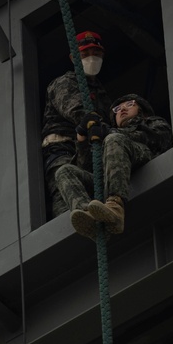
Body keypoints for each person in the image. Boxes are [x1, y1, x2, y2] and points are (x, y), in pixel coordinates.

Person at [70, 93, 173, 238]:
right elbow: (87, 165)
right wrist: (81, 139)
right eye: (117, 109)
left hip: (141, 157)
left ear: (142, 110)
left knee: (114, 139)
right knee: (66, 171)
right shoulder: (109, 138)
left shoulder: (152, 123)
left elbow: (159, 138)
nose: (122, 109)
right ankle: (91, 218)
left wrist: (111, 132)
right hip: (110, 173)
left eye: (129, 104)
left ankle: (115, 207)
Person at [41, 30, 114, 219]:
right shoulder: (64, 83)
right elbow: (78, 112)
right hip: (63, 150)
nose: (92, 58)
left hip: (89, 149)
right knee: (64, 196)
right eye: (85, 54)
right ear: (74, 58)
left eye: (96, 54)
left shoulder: (100, 92)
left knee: (93, 187)